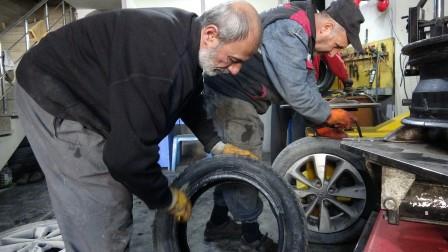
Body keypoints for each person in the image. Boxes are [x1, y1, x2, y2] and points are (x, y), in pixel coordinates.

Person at [14, 1, 261, 251]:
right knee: (104, 202)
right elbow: (126, 159)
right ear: (210, 35)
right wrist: (167, 198)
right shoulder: (160, 62)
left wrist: (216, 145)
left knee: (115, 190)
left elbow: (187, 98)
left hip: (83, 92)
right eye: (232, 59)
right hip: (53, 92)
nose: (234, 70)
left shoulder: (189, 38)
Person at [203, 0, 364, 251]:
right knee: (246, 164)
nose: (334, 54)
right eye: (337, 46)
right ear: (326, 28)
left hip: (234, 94)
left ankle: (218, 223)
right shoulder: (292, 28)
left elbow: (305, 80)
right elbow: (297, 92)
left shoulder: (303, 33)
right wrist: (330, 116)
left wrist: (319, 120)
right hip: (230, 95)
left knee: (231, 165)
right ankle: (250, 236)